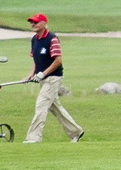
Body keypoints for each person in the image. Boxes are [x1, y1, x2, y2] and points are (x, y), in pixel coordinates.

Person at [24, 13, 84, 143]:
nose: (33, 25)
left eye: (36, 22)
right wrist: (32, 74)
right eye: (32, 23)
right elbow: (36, 59)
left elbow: (58, 60)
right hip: (43, 78)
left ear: (44, 23)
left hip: (53, 78)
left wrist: (43, 73)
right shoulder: (34, 39)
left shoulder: (52, 38)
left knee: (41, 105)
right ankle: (76, 132)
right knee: (55, 107)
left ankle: (34, 137)